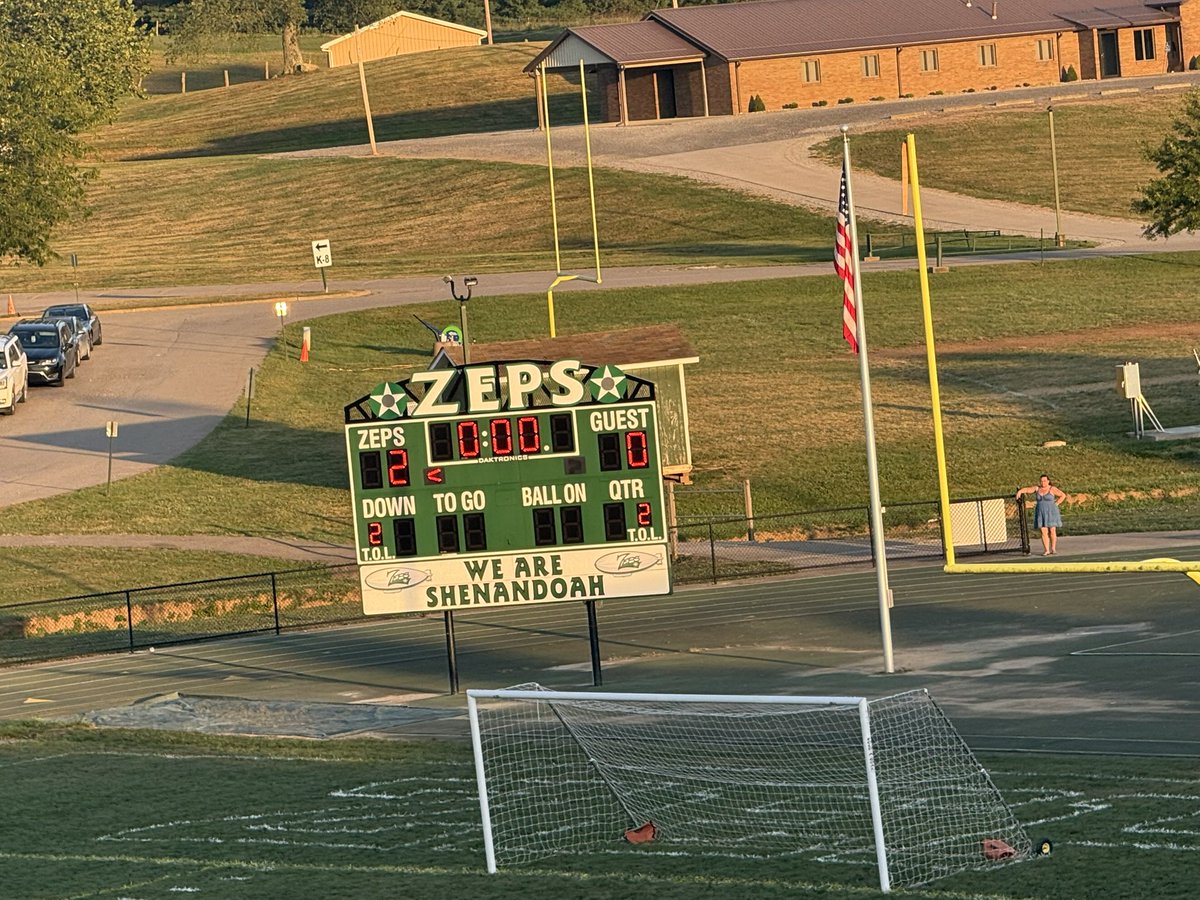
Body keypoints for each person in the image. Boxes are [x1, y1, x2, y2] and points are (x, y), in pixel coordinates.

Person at [1016, 475, 1067, 556]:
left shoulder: (1052, 489)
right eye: (1041, 481)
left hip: (1051, 512)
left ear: (1048, 481)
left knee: (1052, 530)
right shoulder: (1037, 489)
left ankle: (1053, 548)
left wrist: (1057, 503)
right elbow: (1028, 489)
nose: (1043, 482)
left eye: (1044, 481)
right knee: (1043, 531)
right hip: (1040, 512)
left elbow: (1063, 495)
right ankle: (1046, 550)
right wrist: (1020, 491)